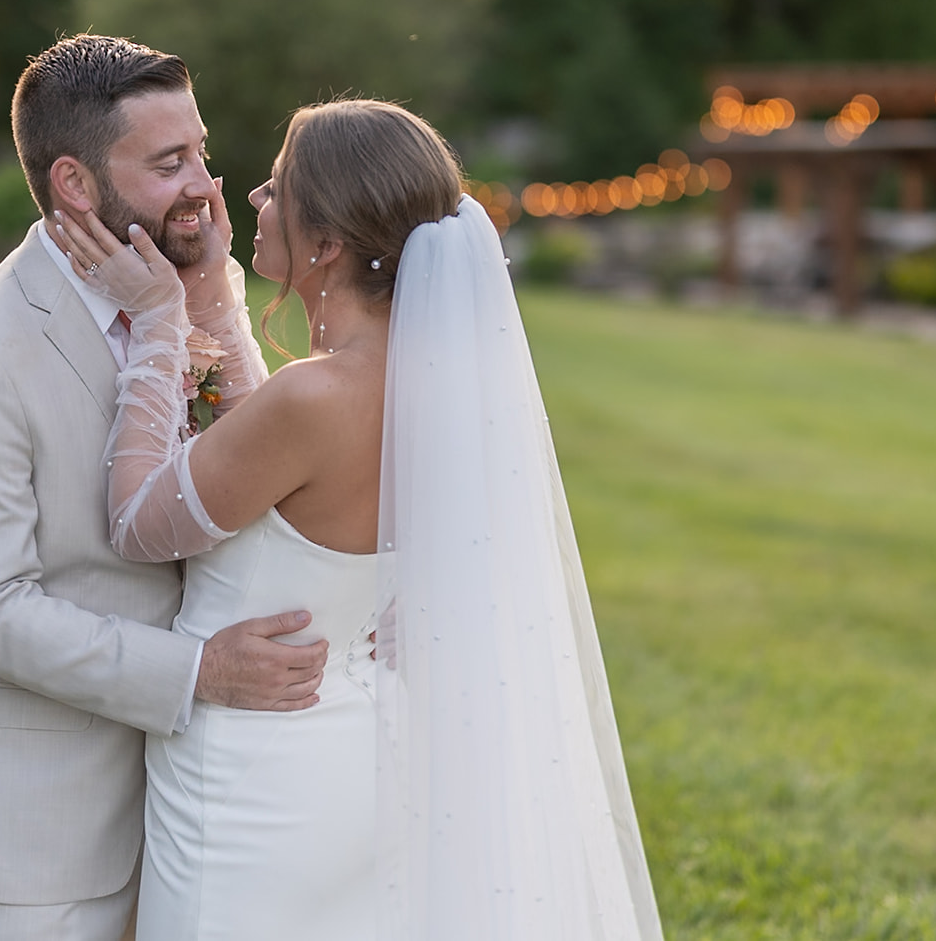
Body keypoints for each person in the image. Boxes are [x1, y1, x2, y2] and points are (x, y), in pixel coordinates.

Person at [48, 98, 664, 940]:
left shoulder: (315, 397)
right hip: (355, 759)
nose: (252, 200)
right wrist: (215, 300)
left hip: (251, 777)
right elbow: (264, 454)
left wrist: (160, 322)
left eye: (276, 189)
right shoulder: (431, 386)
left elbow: (137, 521)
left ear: (329, 244)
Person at [0, 34, 331, 941]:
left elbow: (244, 478)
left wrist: (206, 306)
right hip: (26, 840)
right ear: (77, 184)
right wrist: (204, 670)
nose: (206, 185)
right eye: (170, 163)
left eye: (202, 151)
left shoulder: (191, 287)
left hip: (186, 817)